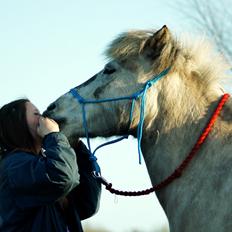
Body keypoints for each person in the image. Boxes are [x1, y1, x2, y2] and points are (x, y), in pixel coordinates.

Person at [0, 98, 102, 232]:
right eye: (36, 114)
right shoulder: (14, 166)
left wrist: (76, 146)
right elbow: (63, 177)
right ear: (17, 125)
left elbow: (87, 204)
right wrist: (54, 136)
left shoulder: (41, 164)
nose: (44, 119)